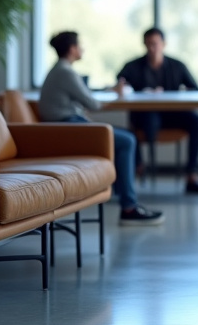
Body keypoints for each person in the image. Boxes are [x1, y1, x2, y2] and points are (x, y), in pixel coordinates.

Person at [39, 31, 164, 226]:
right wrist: (116, 93)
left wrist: (110, 91)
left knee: (127, 136)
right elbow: (93, 104)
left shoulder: (60, 70)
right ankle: (129, 206)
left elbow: (84, 98)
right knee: (127, 140)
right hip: (68, 127)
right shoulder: (66, 72)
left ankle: (124, 194)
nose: (82, 49)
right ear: (72, 49)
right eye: (79, 45)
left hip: (68, 124)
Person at [117, 28, 198, 195]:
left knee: (197, 121)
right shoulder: (132, 66)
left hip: (172, 114)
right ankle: (138, 167)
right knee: (149, 121)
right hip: (144, 116)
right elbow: (119, 85)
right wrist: (132, 90)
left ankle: (192, 176)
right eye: (149, 44)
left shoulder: (177, 65)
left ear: (163, 44)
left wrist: (173, 95)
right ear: (144, 44)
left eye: (156, 44)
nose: (152, 48)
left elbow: (195, 89)